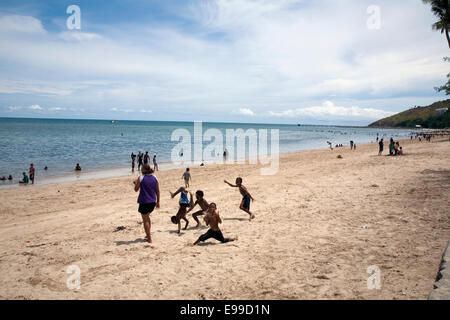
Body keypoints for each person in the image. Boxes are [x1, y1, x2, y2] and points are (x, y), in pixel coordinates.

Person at [133, 164, 160, 243]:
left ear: (143, 170)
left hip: (144, 201)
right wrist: (158, 202)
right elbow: (157, 191)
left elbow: (136, 189)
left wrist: (136, 183)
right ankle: (148, 235)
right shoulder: (155, 177)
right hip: (152, 202)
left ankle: (149, 239)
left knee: (145, 220)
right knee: (147, 218)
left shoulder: (141, 178)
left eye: (141, 169)